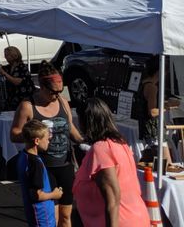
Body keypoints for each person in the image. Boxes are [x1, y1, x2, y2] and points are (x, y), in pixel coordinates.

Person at [10, 62, 83, 227]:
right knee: (52, 218)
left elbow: (70, 126)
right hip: (44, 168)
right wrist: (35, 134)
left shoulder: (63, 102)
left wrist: (82, 141)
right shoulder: (28, 106)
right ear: (42, 87)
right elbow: (14, 134)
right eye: (53, 92)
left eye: (60, 91)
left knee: (66, 216)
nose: (57, 95)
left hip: (64, 165)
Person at [73, 98, 150, 227]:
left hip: (121, 221)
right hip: (134, 218)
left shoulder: (101, 149)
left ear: (86, 122)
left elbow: (113, 199)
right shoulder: (119, 143)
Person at [17, 120, 61, 227]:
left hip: (35, 214)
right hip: (42, 216)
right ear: (37, 141)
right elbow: (35, 194)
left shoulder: (24, 156)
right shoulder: (35, 163)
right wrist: (54, 194)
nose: (48, 142)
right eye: (46, 139)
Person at [138, 55, 179, 167]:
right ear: (159, 71)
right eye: (165, 72)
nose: (166, 75)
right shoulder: (152, 88)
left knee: (151, 163)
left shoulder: (143, 83)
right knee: (167, 165)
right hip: (154, 131)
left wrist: (164, 104)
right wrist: (168, 106)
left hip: (147, 130)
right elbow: (152, 112)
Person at [0, 46, 35, 110]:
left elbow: (17, 82)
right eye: (5, 55)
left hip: (23, 99)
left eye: (7, 55)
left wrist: (3, 73)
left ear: (14, 56)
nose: (5, 57)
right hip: (12, 99)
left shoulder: (22, 67)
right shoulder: (9, 67)